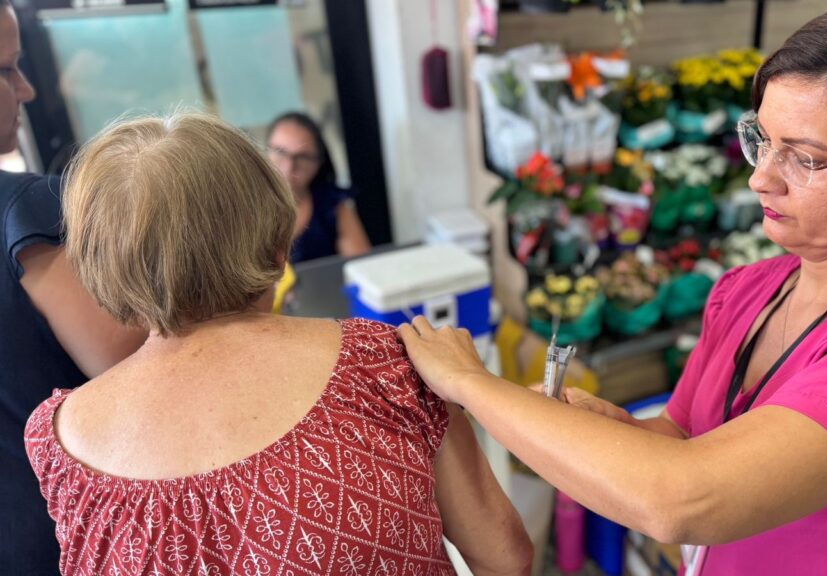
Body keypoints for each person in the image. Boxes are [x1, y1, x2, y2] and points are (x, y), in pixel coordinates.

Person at [397, 1, 827, 574]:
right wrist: (600, 429)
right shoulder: (749, 291)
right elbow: (683, 441)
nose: (760, 181)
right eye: (763, 142)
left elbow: (682, 498)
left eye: (804, 158)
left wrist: (470, 384)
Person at [23, 112, 531, 575]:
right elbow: (504, 558)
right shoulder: (381, 364)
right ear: (276, 238)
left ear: (94, 262)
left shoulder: (57, 440)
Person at [0, 2, 145, 574]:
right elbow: (140, 367)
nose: (28, 90)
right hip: (62, 538)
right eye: (8, 70)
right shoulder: (23, 210)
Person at [266, 111, 371, 262]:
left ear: (318, 163)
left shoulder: (332, 206)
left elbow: (362, 268)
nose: (289, 167)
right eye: (280, 152)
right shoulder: (244, 208)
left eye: (302, 157)